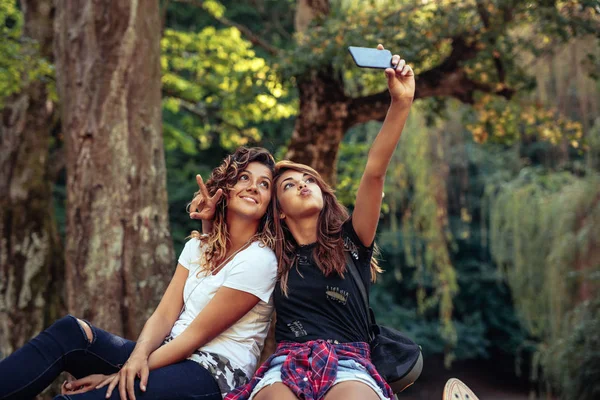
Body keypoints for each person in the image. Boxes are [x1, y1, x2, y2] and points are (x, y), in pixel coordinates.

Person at [0, 147, 278, 400]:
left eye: (264, 184)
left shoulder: (259, 260)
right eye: (244, 178)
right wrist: (138, 356)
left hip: (212, 375)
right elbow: (164, 315)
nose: (253, 187)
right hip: (168, 356)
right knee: (71, 332)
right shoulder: (198, 246)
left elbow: (194, 337)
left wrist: (123, 372)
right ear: (226, 188)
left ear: (269, 204)